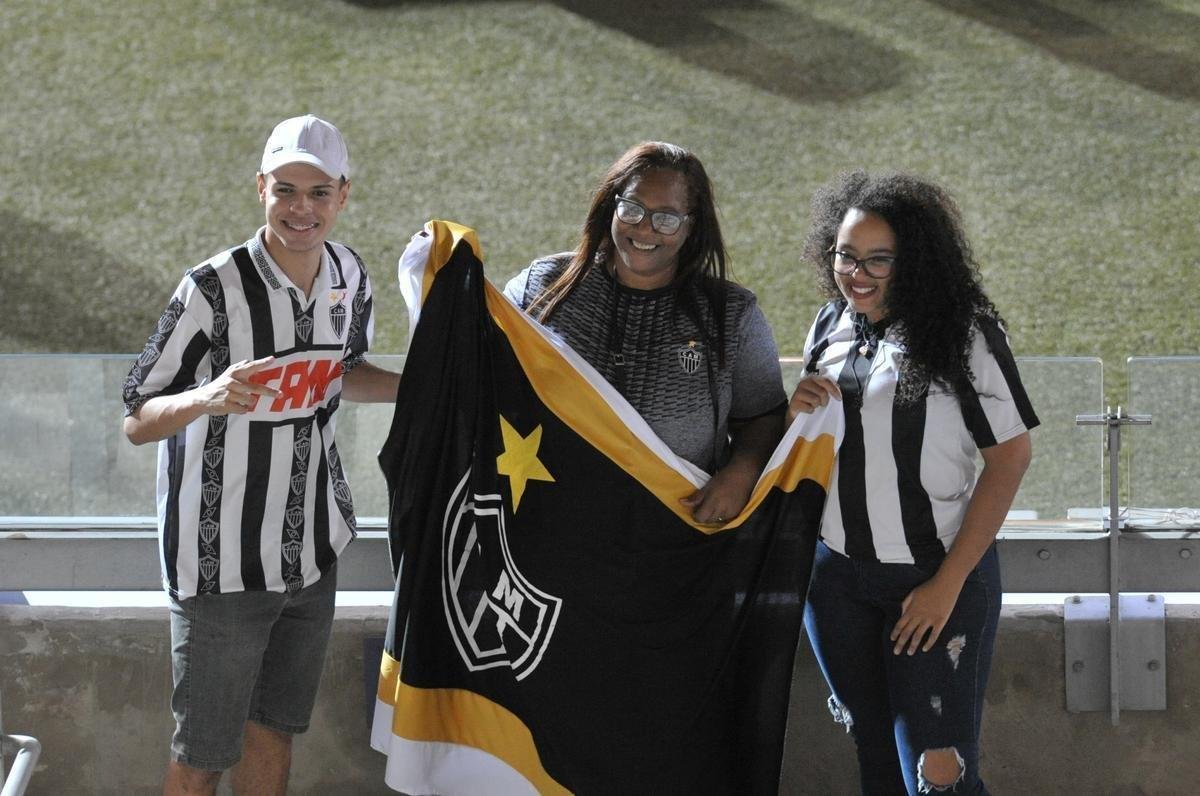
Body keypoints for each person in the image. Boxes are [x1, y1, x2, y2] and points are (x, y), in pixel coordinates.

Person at [122, 115, 400, 796]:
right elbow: (136, 417)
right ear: (260, 189)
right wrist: (206, 397)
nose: (301, 209)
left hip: (312, 552)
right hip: (221, 565)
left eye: (318, 192)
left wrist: (424, 388)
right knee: (202, 756)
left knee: (274, 734)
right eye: (286, 190)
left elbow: (342, 372)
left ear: (343, 194)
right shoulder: (210, 289)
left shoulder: (349, 272)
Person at [787, 171, 1037, 794]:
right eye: (846, 255)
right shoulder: (828, 325)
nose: (858, 274)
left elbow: (1009, 458)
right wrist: (799, 407)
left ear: (916, 262)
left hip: (933, 580)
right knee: (874, 759)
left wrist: (946, 585)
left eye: (879, 260)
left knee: (938, 776)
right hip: (836, 581)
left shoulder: (963, 335)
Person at [503, 140, 787, 523]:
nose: (645, 229)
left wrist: (741, 473)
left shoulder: (731, 315)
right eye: (632, 209)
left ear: (693, 225)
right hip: (552, 525)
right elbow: (481, 377)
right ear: (611, 206)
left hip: (674, 536)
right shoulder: (540, 289)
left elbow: (763, 416)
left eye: (666, 218)